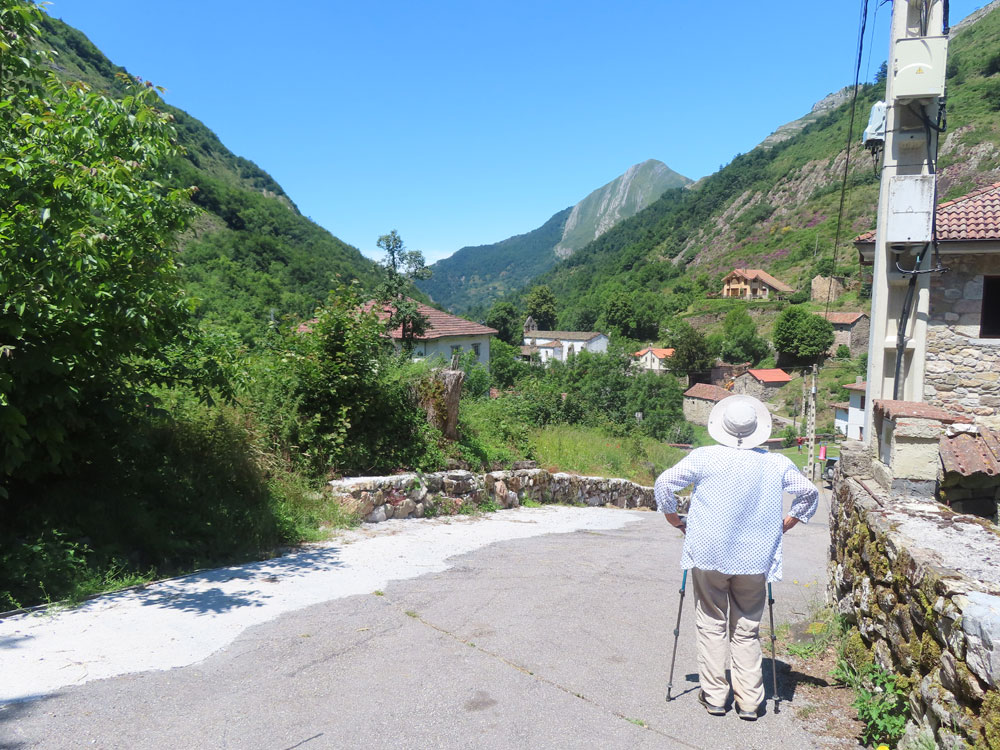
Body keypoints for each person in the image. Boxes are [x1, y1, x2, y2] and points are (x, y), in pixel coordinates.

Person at [655, 395, 818, 721]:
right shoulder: (776, 463)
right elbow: (809, 491)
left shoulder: (703, 457)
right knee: (746, 628)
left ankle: (715, 695)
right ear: (757, 429)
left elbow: (664, 483)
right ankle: (750, 701)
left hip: (708, 553)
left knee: (711, 621)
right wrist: (788, 522)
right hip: (755, 558)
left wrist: (673, 518)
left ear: (722, 427)